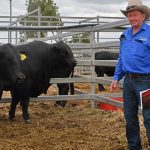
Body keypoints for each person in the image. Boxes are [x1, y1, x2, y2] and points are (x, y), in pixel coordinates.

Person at [110, 0, 150, 149]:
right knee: (130, 117)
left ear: (143, 15)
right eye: (129, 16)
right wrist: (116, 77)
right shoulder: (125, 35)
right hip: (128, 83)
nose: (132, 18)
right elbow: (122, 57)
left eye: (135, 15)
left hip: (145, 82)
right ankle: (134, 147)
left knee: (149, 117)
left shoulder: (149, 33)